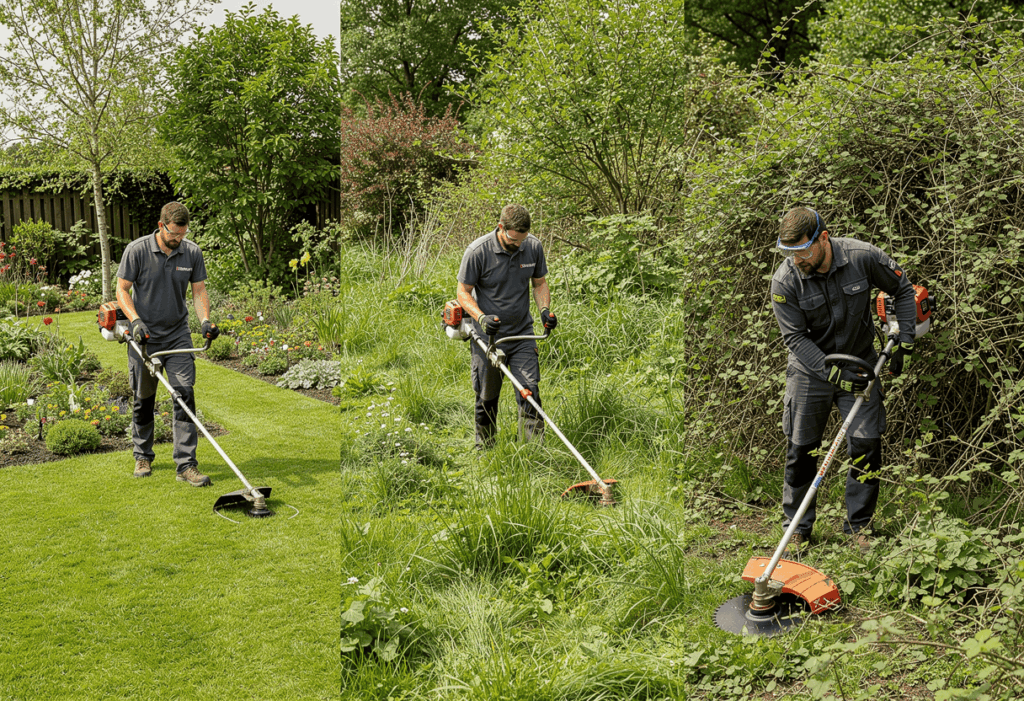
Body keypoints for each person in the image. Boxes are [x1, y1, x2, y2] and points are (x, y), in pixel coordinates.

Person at [770, 207, 917, 552]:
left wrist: (904, 341)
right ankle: (797, 529)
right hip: (810, 372)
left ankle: (858, 529)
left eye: (802, 251)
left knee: (866, 445)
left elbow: (904, 289)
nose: (795, 260)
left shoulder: (862, 257)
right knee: (801, 449)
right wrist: (830, 371)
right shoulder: (785, 281)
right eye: (787, 253)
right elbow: (795, 339)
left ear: (823, 238)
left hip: (861, 363)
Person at [115, 201, 220, 485]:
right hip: (145, 336)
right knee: (143, 400)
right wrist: (135, 321)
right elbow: (122, 290)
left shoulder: (192, 252)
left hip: (177, 335)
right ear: (161, 226)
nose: (178, 240)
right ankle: (142, 455)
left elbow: (199, 292)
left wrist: (205, 321)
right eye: (174, 234)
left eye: (182, 234)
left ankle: (186, 465)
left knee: (184, 396)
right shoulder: (136, 250)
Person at [457, 204, 557, 448]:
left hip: (522, 334)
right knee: (487, 396)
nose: (519, 245)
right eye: (514, 239)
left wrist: (544, 310)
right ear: (501, 228)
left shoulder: (532, 246)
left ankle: (533, 452)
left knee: (530, 393)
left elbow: (539, 283)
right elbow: (463, 292)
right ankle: (486, 449)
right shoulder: (478, 251)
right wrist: (481, 317)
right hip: (487, 337)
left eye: (522, 240)